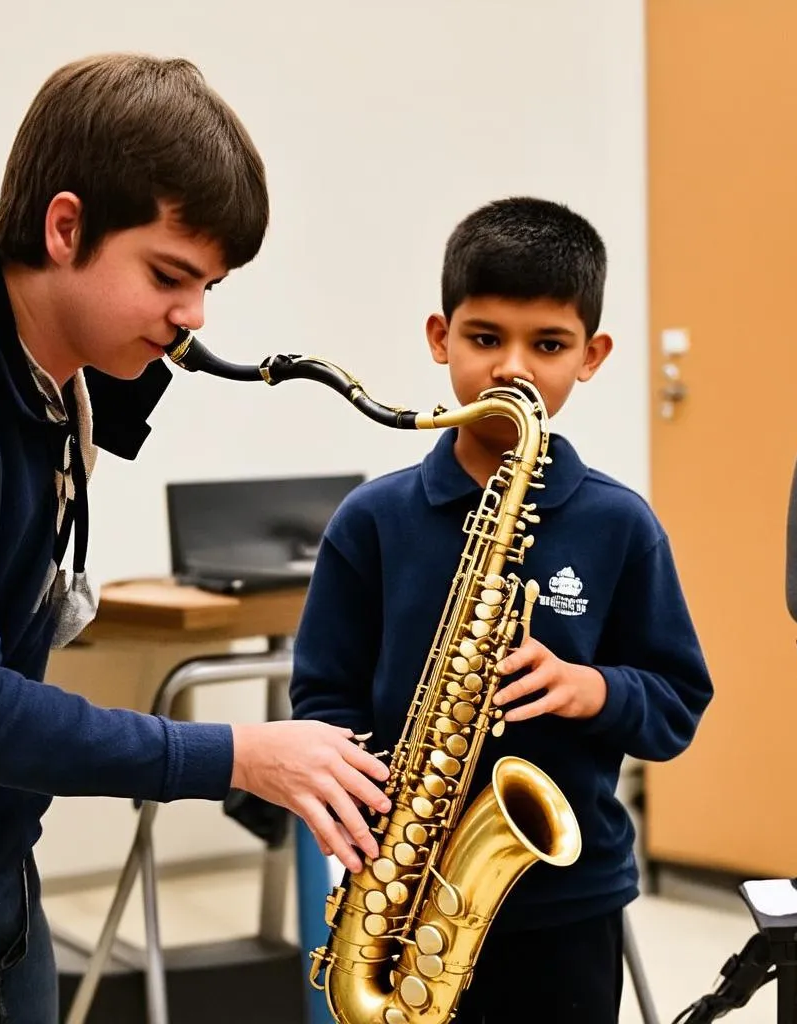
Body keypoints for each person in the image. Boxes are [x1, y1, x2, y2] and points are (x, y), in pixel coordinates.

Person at [0, 53, 390, 1023]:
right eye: (170, 276)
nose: (192, 319)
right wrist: (234, 756)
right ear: (65, 226)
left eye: (208, 285)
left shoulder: (50, 370)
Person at [290, 196, 714, 1024]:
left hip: (569, 900)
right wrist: (365, 818)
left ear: (591, 356)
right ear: (439, 337)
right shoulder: (372, 522)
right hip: (400, 898)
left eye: (547, 345)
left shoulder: (618, 524)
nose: (511, 369)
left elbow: (677, 702)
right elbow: (324, 701)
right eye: (485, 338)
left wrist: (594, 690)